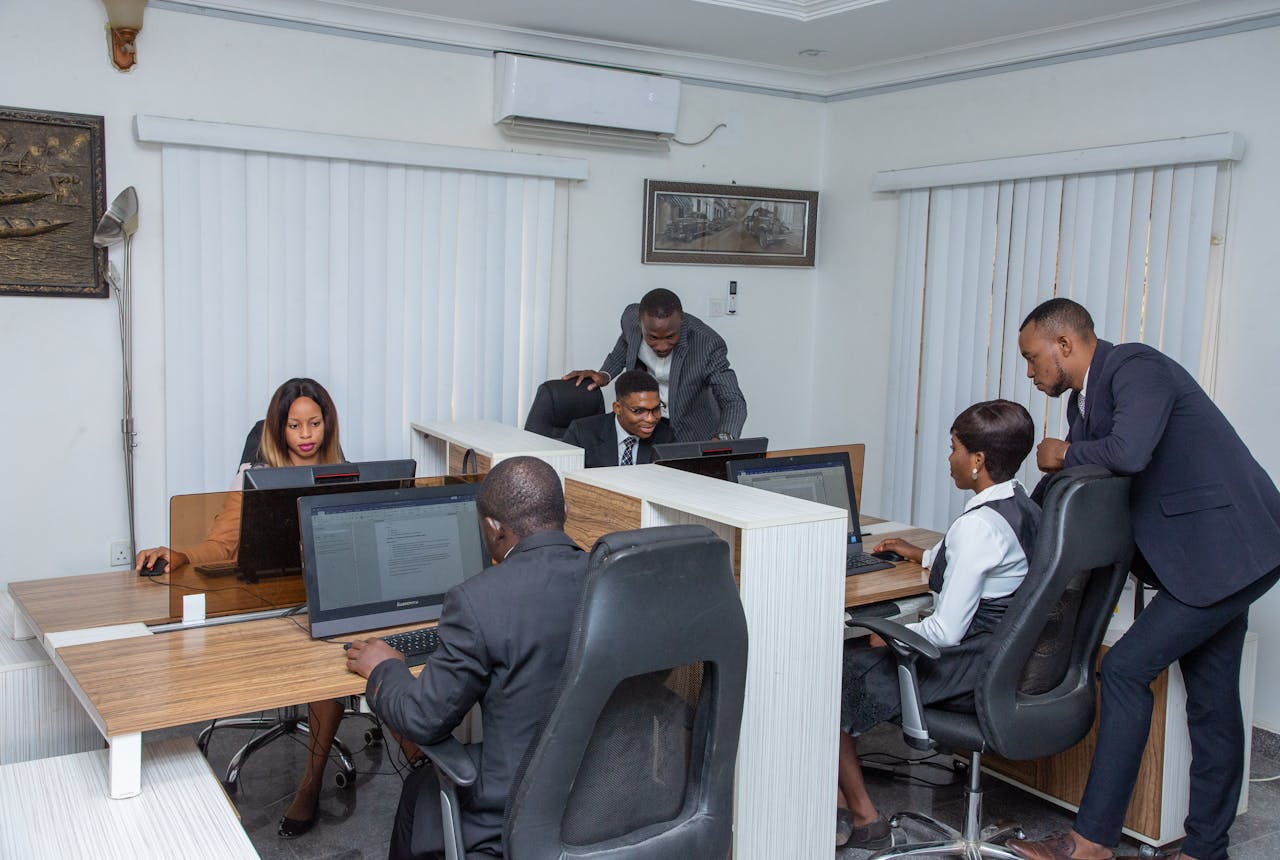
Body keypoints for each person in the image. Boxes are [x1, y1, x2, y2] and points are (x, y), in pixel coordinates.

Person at [1007, 299, 1280, 860]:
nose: (1030, 373)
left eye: (1033, 359)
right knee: (1212, 698)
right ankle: (1206, 850)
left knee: (1128, 668)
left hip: (1229, 550)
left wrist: (1062, 454)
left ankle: (1091, 842)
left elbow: (1128, 454)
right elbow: (1081, 494)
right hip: (1208, 560)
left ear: (1065, 345)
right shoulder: (1084, 406)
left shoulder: (1137, 368)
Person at [134, 378, 373, 840]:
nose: (306, 435)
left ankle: (315, 779)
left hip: (326, 598)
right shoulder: (255, 476)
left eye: (315, 423)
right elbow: (221, 546)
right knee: (323, 655)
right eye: (294, 425)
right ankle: (310, 784)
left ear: (329, 424)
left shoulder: (344, 471)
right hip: (269, 603)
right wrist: (181, 556)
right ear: (278, 430)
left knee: (344, 651)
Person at [345, 456, 590, 859]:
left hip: (512, 812)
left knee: (418, 788)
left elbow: (424, 718)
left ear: (493, 527)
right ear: (563, 512)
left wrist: (385, 668)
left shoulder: (478, 599)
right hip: (600, 793)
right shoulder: (610, 579)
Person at [836, 400, 1039, 850]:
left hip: (969, 670)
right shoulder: (1023, 507)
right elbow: (994, 568)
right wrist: (927, 556)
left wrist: (892, 637)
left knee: (830, 674)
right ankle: (835, 796)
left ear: (978, 460)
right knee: (863, 649)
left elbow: (945, 632)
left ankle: (864, 818)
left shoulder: (977, 528)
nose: (949, 459)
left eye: (953, 449)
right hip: (1005, 665)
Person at [563, 287, 747, 442]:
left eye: (670, 337)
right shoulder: (630, 320)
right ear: (640, 324)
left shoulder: (707, 344)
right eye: (652, 337)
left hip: (689, 430)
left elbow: (733, 400)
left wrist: (723, 439)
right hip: (647, 425)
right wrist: (604, 374)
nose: (661, 346)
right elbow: (624, 346)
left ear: (681, 323)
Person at [561, 369, 675, 467]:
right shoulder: (581, 434)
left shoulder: (665, 437)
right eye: (639, 411)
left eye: (656, 409)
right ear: (617, 408)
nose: (651, 419)